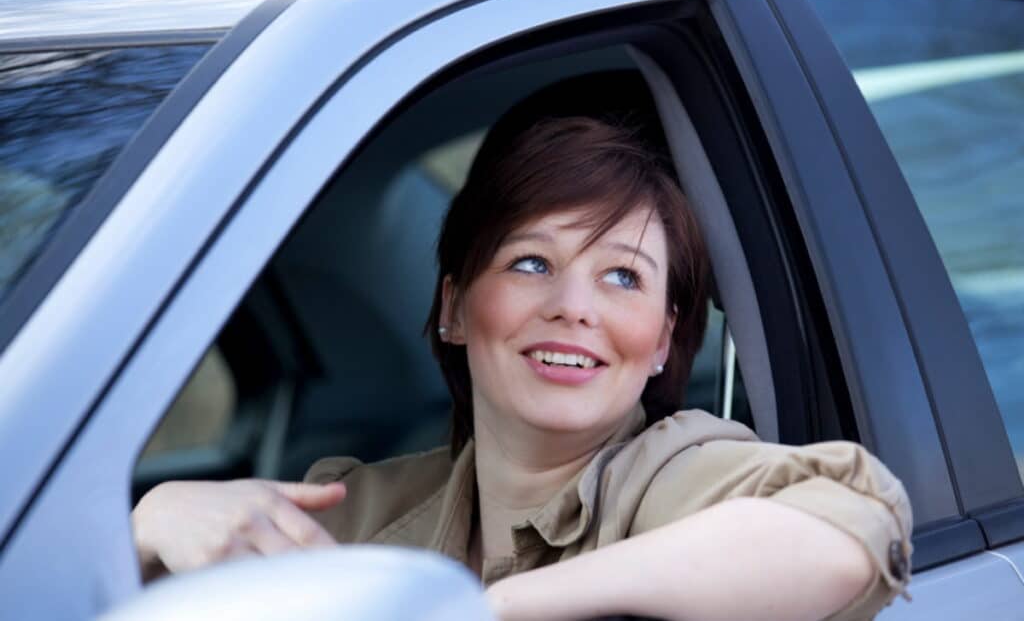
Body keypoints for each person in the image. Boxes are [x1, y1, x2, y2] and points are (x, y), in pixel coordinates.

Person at [132, 76, 912, 621]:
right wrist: (149, 520)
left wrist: (484, 607)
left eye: (622, 276)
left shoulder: (677, 474)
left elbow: (852, 527)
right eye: (532, 263)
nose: (574, 308)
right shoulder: (361, 506)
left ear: (662, 338)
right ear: (455, 308)